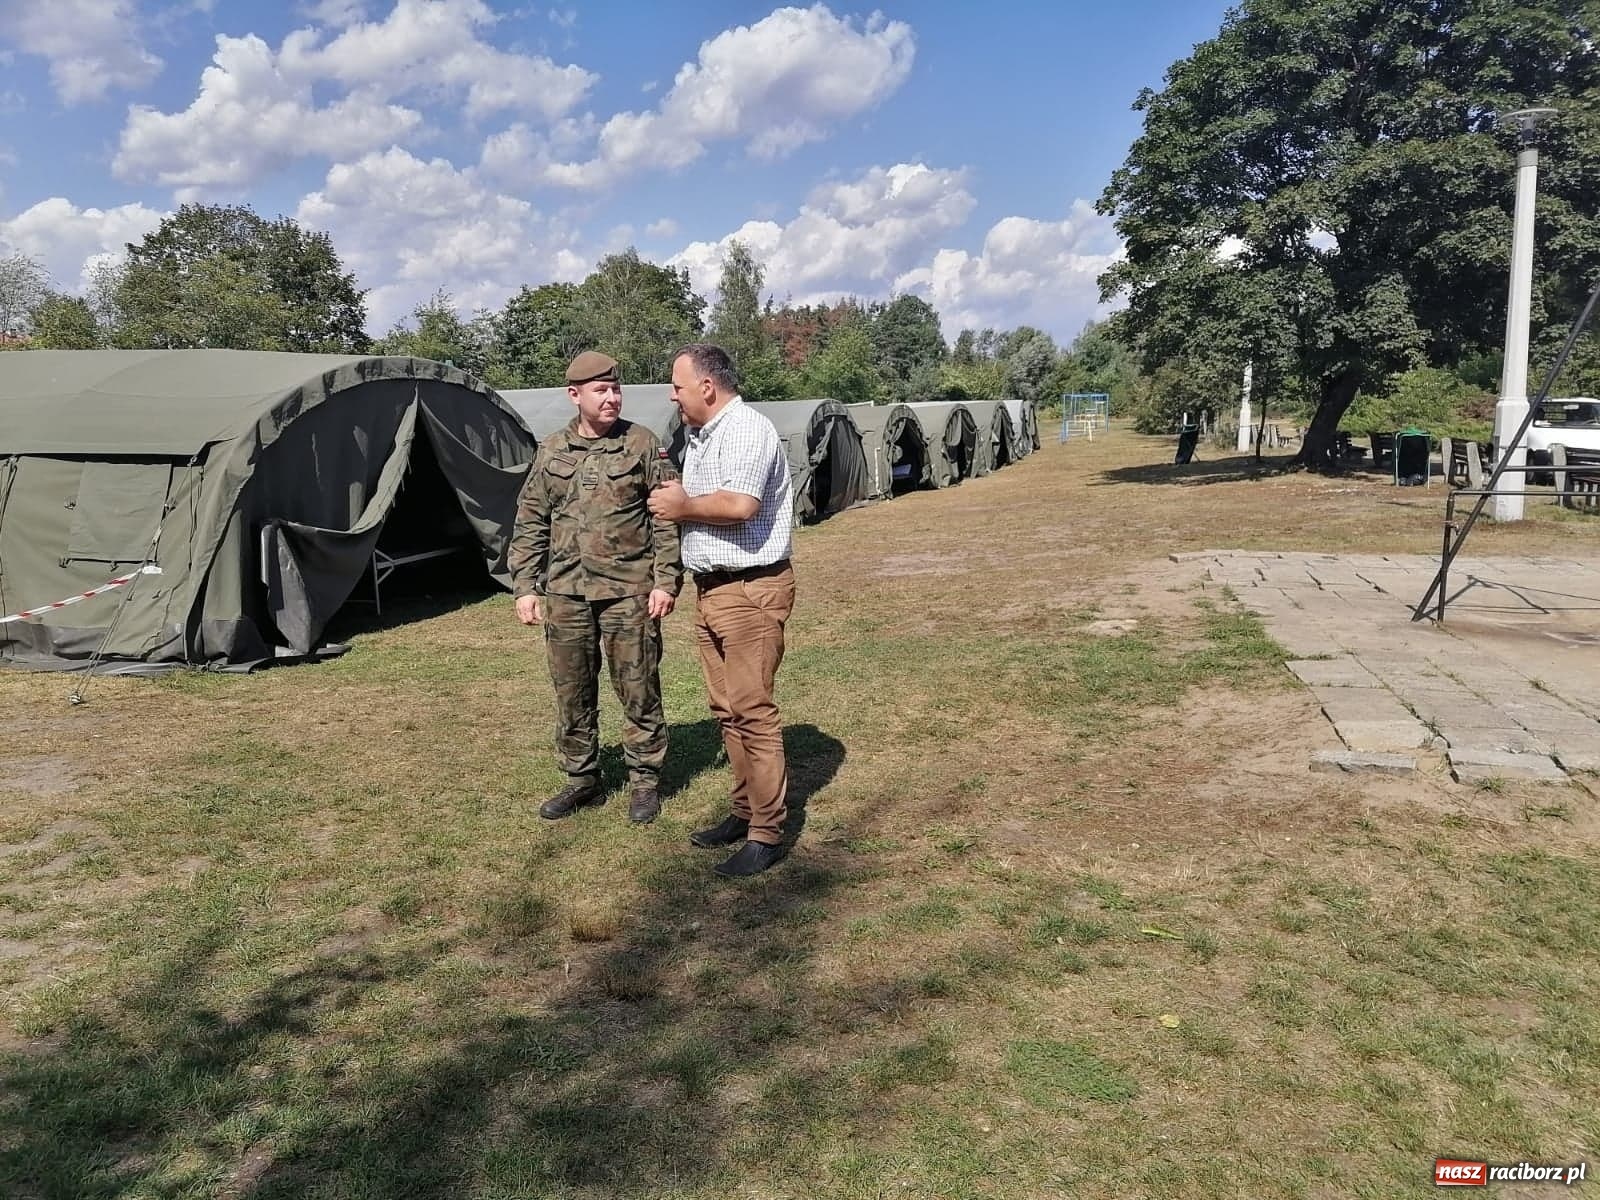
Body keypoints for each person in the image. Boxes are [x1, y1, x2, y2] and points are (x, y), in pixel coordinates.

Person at [508, 350, 681, 825]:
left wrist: (666, 580)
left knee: (638, 687)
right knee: (572, 690)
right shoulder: (551, 450)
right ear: (574, 394)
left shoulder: (642, 444)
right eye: (601, 390)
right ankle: (581, 780)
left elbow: (666, 518)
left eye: (615, 388)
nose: (611, 397)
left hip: (630, 591)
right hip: (566, 594)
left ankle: (644, 780)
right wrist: (525, 585)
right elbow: (530, 520)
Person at [647, 344, 796, 877]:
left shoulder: (746, 430)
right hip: (714, 589)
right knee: (727, 710)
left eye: (677, 385)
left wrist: (683, 506)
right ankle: (744, 811)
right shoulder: (702, 437)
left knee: (752, 712)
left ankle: (767, 832)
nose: (672, 395)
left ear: (707, 387)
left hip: (750, 589)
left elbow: (740, 505)